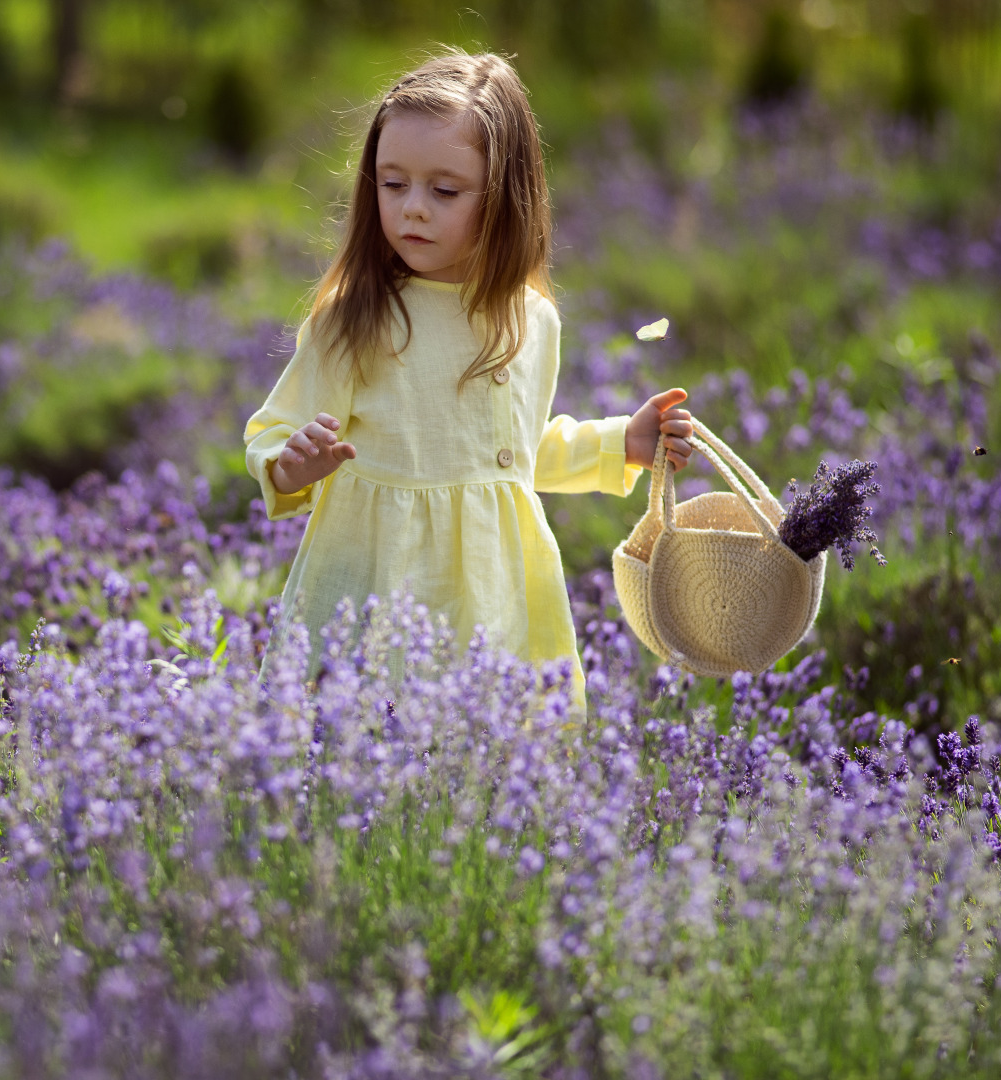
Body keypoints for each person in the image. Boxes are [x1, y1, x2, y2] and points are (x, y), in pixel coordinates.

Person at [243, 49, 693, 709]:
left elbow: (505, 452)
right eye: (392, 185)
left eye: (444, 190)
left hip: (493, 587)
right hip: (381, 582)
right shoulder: (358, 318)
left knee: (485, 764)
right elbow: (274, 431)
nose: (413, 209)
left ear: (505, 196)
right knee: (363, 749)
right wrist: (290, 465)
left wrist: (618, 442)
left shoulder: (530, 320)